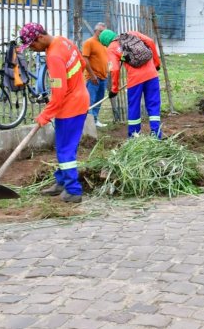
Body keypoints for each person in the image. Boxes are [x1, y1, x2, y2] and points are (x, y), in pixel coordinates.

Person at [19, 23, 89, 203]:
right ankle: (61, 181)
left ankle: (73, 190)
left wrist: (44, 115)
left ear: (41, 37)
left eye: (33, 45)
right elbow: (81, 63)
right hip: (79, 100)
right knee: (64, 146)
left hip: (70, 108)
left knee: (66, 150)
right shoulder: (63, 40)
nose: (33, 50)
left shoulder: (54, 56)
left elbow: (58, 94)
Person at [100, 29, 163, 138]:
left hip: (135, 80)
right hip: (152, 75)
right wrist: (156, 63)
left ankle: (134, 136)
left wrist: (114, 89)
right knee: (153, 104)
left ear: (105, 42)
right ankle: (156, 134)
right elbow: (151, 42)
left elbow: (114, 69)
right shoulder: (132, 34)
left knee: (134, 107)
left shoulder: (111, 48)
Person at [82, 22, 108, 128]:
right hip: (93, 77)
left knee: (99, 100)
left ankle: (95, 120)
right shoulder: (89, 42)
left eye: (104, 32)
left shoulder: (104, 43)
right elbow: (85, 59)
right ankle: (89, 123)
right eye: (100, 31)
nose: (102, 33)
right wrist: (92, 75)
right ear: (95, 31)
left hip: (103, 77)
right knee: (90, 101)